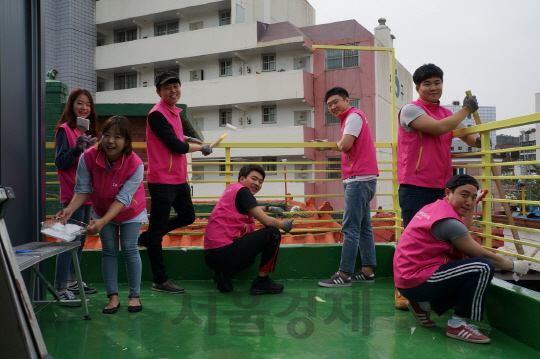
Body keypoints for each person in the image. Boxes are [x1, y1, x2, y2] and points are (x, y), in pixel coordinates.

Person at [394, 174, 530, 344]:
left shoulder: (434, 207)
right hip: (416, 279)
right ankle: (458, 325)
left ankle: (420, 303)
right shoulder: (448, 223)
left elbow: (460, 229)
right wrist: (513, 266)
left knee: (468, 267)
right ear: (448, 193)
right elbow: (480, 254)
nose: (469, 201)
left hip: (406, 280)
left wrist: (471, 207)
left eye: (473, 198)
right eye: (464, 195)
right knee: (483, 267)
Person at [395, 63, 480, 309]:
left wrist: (480, 133)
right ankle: (403, 291)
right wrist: (466, 109)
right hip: (415, 185)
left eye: (437, 82)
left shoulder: (446, 114)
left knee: (443, 241)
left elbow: (470, 137)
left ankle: (439, 289)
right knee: (412, 241)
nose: (433, 87)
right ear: (418, 88)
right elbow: (439, 128)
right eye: (427, 84)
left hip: (443, 189)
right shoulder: (411, 110)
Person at [57, 116, 148, 314]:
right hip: (102, 207)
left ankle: (134, 296)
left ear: (126, 141)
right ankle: (112, 297)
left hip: (130, 209)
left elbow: (123, 198)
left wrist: (102, 221)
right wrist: (70, 209)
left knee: (130, 249)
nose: (110, 141)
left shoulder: (136, 164)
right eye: (106, 135)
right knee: (108, 251)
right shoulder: (88, 157)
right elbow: (82, 189)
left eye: (117, 137)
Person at [137, 71, 213, 294]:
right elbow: (175, 146)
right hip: (161, 180)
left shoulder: (174, 113)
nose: (173, 90)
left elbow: (178, 137)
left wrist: (190, 139)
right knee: (158, 231)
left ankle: (148, 236)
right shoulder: (156, 114)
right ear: (158, 91)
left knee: (188, 216)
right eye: (167, 87)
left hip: (178, 178)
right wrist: (201, 148)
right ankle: (160, 279)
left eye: (176, 86)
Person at [318, 87, 379, 288]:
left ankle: (343, 275)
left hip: (359, 179)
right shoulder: (351, 118)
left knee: (351, 228)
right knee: (364, 227)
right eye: (329, 105)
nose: (333, 107)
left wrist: (326, 145)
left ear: (347, 100)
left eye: (336, 102)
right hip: (364, 178)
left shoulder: (353, 116)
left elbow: (345, 145)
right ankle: (368, 271)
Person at [204, 164, 294, 295]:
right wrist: (284, 225)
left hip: (211, 255)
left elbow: (250, 207)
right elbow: (267, 221)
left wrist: (269, 208)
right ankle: (262, 282)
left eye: (260, 181)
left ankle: (224, 274)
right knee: (273, 233)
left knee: (250, 256)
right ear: (242, 178)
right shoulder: (243, 192)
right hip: (224, 251)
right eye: (254, 178)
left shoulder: (232, 190)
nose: (257, 183)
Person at [53, 88, 99, 300]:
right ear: (71, 105)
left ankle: (72, 280)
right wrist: (76, 149)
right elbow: (61, 162)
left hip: (86, 192)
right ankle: (60, 287)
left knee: (79, 240)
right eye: (80, 103)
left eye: (88, 104)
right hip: (72, 196)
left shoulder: (85, 132)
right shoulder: (64, 130)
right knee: (68, 241)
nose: (84, 108)